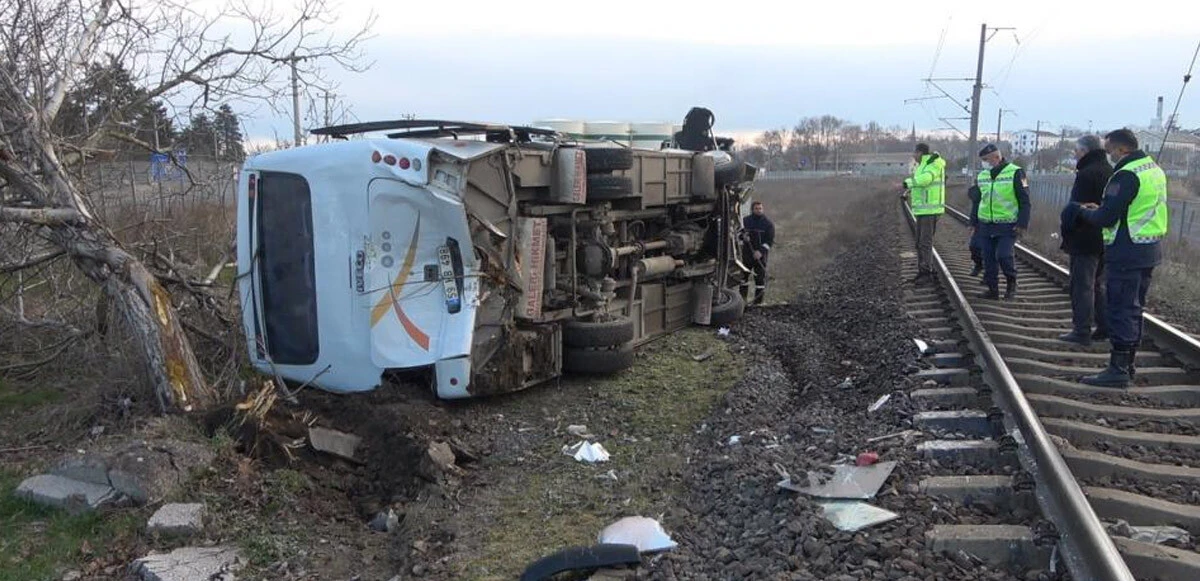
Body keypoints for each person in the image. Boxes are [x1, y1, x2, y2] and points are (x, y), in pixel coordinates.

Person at [1069, 129, 1169, 388]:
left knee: (1120, 308)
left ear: (1122, 149)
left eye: (1110, 150)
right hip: (1148, 249)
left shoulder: (1125, 175)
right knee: (1135, 308)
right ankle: (1129, 363)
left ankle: (1118, 369)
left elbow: (1106, 218)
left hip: (1126, 250)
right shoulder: (1153, 170)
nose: (1109, 155)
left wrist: (1083, 212)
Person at [1057, 135, 1114, 346]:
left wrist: (1067, 224)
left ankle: (1081, 330)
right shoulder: (1111, 172)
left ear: (1085, 151)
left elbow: (1076, 209)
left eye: (1076, 150)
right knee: (1098, 284)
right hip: (1106, 238)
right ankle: (1104, 327)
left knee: (1082, 286)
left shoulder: (1087, 174)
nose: (1074, 154)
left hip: (1085, 238)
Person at [972, 144, 1031, 300]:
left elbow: (1025, 201)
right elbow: (978, 200)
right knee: (988, 259)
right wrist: (974, 222)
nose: (983, 163)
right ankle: (993, 290)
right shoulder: (982, 175)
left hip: (1008, 224)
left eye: (985, 160)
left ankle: (1011, 283)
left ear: (996, 157)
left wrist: (1022, 224)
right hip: (985, 224)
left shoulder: (1017, 173)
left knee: (1004, 256)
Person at [900, 143, 946, 283]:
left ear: (920, 153)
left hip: (930, 210)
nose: (913, 156)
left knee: (925, 242)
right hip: (923, 210)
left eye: (915, 153)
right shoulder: (922, 166)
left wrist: (907, 183)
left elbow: (926, 180)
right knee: (920, 242)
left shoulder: (933, 164)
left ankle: (926, 273)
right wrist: (908, 192)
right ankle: (922, 271)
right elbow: (919, 184)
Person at [742, 201, 775, 305]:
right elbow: (738, 233)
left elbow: (769, 241)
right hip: (747, 255)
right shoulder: (745, 221)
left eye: (760, 208)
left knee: (760, 280)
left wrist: (760, 252)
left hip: (761, 257)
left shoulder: (768, 224)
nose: (759, 210)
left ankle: (758, 303)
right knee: (743, 279)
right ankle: (743, 301)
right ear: (753, 209)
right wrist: (743, 237)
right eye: (757, 208)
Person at [967, 184, 984, 277]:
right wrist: (972, 223)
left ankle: (989, 277)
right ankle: (979, 264)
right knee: (974, 246)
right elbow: (975, 204)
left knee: (992, 252)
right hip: (981, 221)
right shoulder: (984, 177)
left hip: (999, 221)